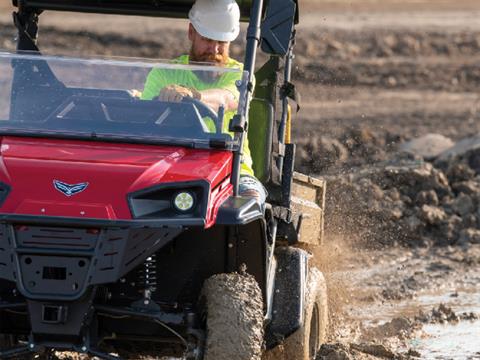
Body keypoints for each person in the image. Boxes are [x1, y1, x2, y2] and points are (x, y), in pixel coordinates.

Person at [140, 0, 266, 204]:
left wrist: (193, 96)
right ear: (191, 33)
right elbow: (144, 123)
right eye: (208, 40)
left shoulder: (239, 75)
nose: (214, 50)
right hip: (172, 166)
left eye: (222, 43)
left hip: (233, 170)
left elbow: (226, 98)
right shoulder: (164, 74)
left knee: (250, 199)